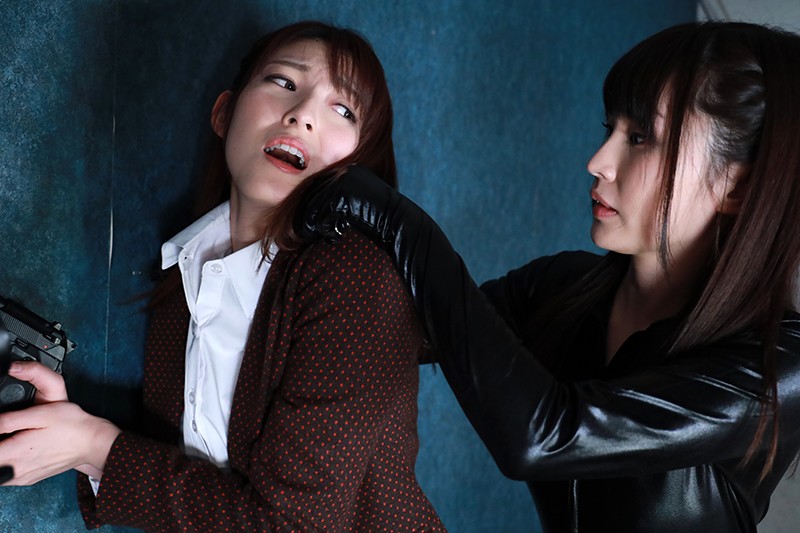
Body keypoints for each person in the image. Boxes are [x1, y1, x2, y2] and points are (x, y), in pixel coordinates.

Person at [299, 21, 800, 532]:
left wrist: (397, 222)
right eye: (610, 130)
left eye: (640, 137)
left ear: (737, 187)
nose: (598, 162)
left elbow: (543, 437)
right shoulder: (562, 288)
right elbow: (396, 330)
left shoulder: (780, 362)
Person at [0, 21, 445, 532]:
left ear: (362, 169)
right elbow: (196, 487)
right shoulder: (183, 274)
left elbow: (292, 525)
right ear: (224, 113)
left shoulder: (361, 279)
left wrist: (93, 445)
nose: (302, 114)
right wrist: (66, 436)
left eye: (342, 110)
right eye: (284, 81)